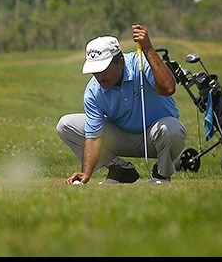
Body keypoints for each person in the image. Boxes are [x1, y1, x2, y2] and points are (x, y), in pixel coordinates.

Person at [57, 24, 186, 185]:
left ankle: (162, 173)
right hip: (121, 139)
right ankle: (121, 170)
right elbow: (94, 137)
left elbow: (168, 88)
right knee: (65, 125)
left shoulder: (141, 62)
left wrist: (148, 49)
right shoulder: (93, 90)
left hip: (155, 138)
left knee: (171, 128)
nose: (99, 75)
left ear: (121, 62)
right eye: (94, 70)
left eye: (103, 69)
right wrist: (86, 173)